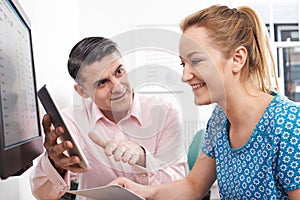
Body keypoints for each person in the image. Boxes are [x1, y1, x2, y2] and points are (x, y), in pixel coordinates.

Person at [110, 5, 300, 199]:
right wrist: (141, 191)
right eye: (183, 64)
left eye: (196, 60)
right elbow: (193, 187)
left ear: (237, 59)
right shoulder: (219, 119)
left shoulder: (288, 124)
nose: (184, 75)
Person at [30, 37, 188, 200]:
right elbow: (42, 194)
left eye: (119, 72)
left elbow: (180, 188)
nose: (118, 87)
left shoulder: (165, 112)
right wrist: (57, 166)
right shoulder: (71, 122)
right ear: (82, 91)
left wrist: (143, 158)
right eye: (102, 83)